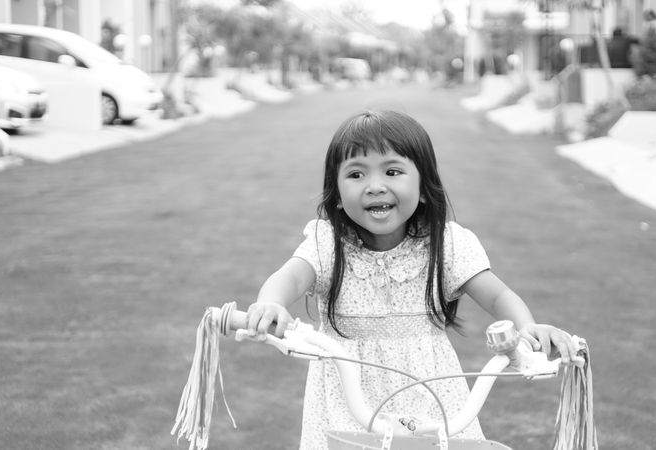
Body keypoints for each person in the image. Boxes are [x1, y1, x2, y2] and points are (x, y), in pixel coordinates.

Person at [244, 110, 584, 450]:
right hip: (346, 402)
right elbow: (290, 276)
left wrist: (526, 328)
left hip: (431, 395)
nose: (375, 186)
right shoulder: (328, 244)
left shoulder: (445, 244)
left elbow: (497, 296)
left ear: (423, 188)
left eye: (392, 171)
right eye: (356, 174)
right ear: (336, 192)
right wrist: (271, 304)